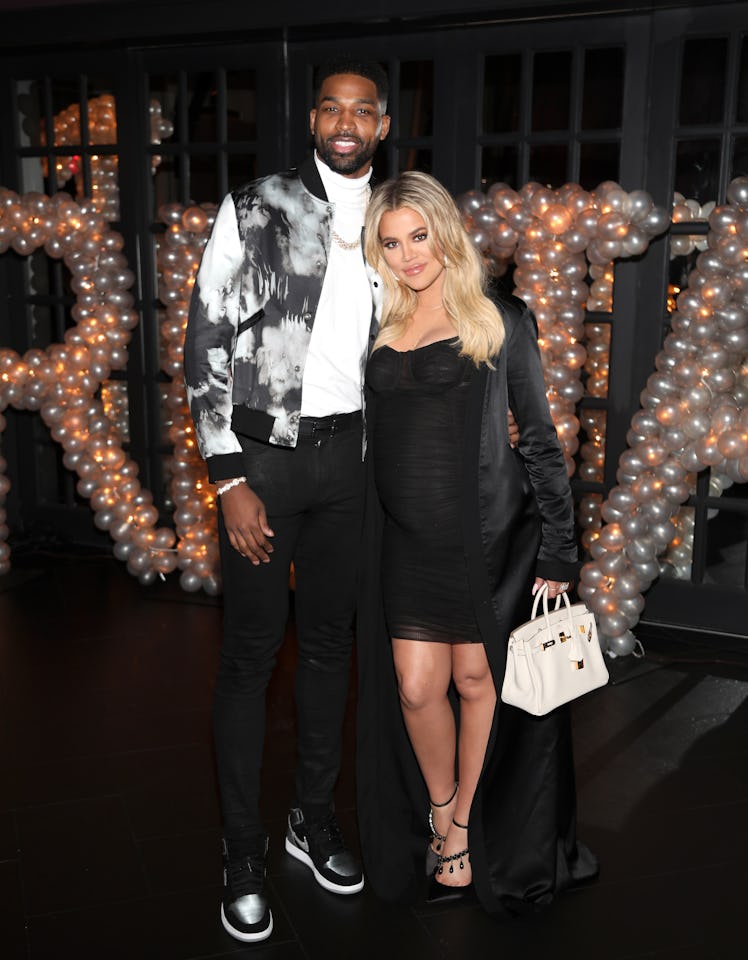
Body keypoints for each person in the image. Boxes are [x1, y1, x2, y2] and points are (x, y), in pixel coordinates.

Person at [182, 57, 392, 943]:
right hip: (262, 463)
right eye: (331, 109)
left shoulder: (401, 216)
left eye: (363, 111)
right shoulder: (255, 205)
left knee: (333, 651)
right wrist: (226, 476)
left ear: (381, 124)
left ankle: (312, 818)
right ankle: (241, 850)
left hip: (354, 464)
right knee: (249, 658)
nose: (346, 122)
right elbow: (203, 336)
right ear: (313, 121)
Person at [356, 171, 598, 917]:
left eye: (418, 237)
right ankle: (440, 809)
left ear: (445, 233)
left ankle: (461, 832)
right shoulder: (380, 323)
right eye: (390, 243)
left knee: (474, 685)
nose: (407, 257)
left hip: (486, 541)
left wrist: (561, 550)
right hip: (403, 544)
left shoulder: (500, 320)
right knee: (416, 688)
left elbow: (544, 447)